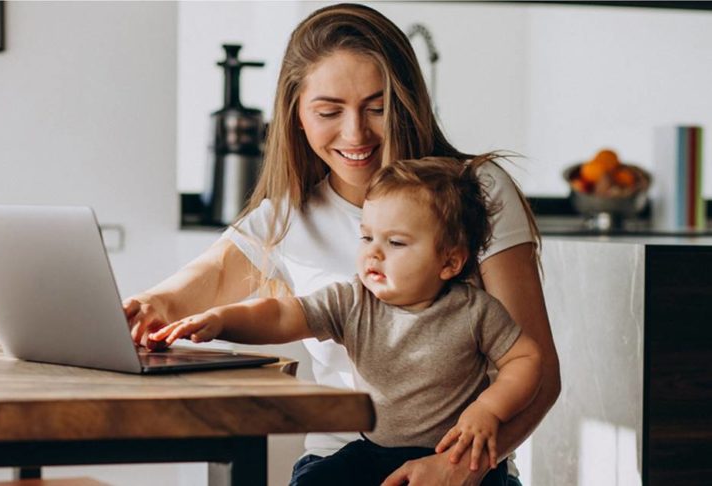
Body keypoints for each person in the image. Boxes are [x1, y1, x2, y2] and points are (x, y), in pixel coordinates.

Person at [124, 4, 561, 485]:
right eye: (329, 111)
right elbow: (185, 294)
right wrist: (149, 306)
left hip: (465, 466)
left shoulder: (476, 192)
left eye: (378, 108)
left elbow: (537, 372)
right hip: (345, 459)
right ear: (296, 116)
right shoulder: (286, 218)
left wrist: (458, 469)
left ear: (409, 103)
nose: (356, 133)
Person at [149, 155, 542, 485]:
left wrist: (489, 409)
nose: (374, 254)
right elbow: (283, 313)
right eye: (367, 237)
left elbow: (526, 360)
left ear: (450, 261)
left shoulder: (475, 311)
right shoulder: (353, 300)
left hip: (456, 454)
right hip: (374, 450)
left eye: (396, 242)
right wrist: (221, 320)